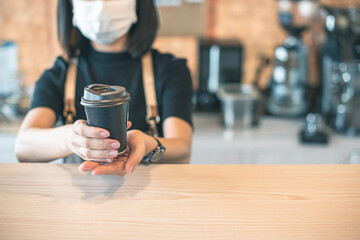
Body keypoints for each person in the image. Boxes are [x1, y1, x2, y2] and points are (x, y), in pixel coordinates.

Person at [15, 0, 193, 176]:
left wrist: (148, 144)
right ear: (70, 4)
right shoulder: (59, 73)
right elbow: (23, 147)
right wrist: (71, 139)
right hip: (79, 200)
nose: (101, 5)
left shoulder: (170, 70)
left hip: (149, 197)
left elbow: (182, 150)